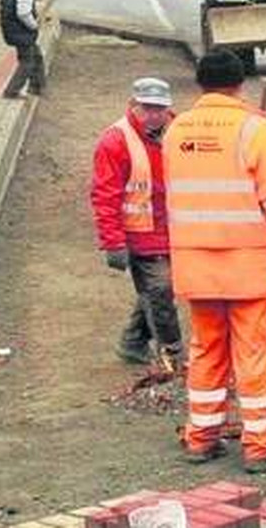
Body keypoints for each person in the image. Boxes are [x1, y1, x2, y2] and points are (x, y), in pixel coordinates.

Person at [163, 50, 266, 474]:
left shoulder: (177, 131)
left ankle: (201, 438)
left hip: (196, 266)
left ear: (200, 83)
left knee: (206, 350)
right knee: (252, 356)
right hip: (248, 267)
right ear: (240, 83)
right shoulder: (256, 130)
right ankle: (261, 447)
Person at [91, 77, 183, 366]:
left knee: (154, 290)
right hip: (140, 236)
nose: (155, 115)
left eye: (160, 109)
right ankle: (173, 354)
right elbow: (105, 195)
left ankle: (133, 342)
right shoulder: (115, 141)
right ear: (133, 106)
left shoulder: (179, 132)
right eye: (148, 108)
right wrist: (113, 243)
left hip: (174, 230)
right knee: (160, 290)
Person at [0, 0, 46, 98]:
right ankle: (12, 91)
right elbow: (23, 13)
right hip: (21, 31)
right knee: (27, 61)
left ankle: (37, 86)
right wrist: (35, 25)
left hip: (10, 29)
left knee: (36, 56)